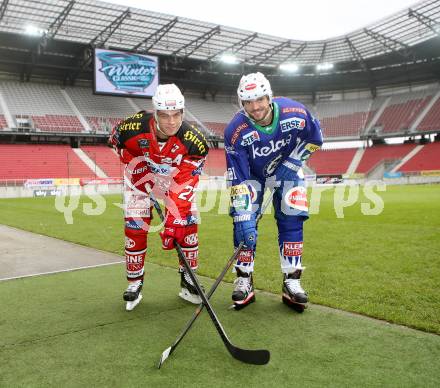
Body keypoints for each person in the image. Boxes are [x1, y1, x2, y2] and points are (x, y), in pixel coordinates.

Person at [224, 72, 323, 312]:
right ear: (242, 103)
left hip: (289, 170)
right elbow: (238, 179)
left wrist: (294, 162)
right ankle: (245, 279)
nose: (255, 107)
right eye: (248, 102)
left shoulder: (295, 112)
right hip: (252, 179)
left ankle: (292, 281)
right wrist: (243, 215)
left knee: (292, 219)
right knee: (243, 226)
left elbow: (316, 137)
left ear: (270, 96)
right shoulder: (235, 131)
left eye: (259, 99)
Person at [110, 84, 209, 311]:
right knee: (134, 226)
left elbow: (185, 184)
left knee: (187, 224)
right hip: (139, 177)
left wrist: (174, 222)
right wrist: (134, 164)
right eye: (164, 115)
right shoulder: (132, 126)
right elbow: (115, 142)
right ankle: (135, 282)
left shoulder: (195, 141)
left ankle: (189, 279)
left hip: (175, 182)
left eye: (176, 115)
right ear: (155, 113)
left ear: (183, 113)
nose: (171, 122)